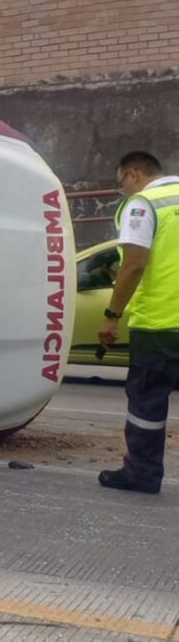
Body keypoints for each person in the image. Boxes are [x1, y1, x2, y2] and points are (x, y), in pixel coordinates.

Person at [96, 151, 179, 494]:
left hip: (159, 324)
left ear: (133, 174)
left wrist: (112, 316)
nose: (124, 192)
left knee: (147, 401)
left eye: (121, 185)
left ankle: (142, 473)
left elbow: (134, 264)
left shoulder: (143, 204)